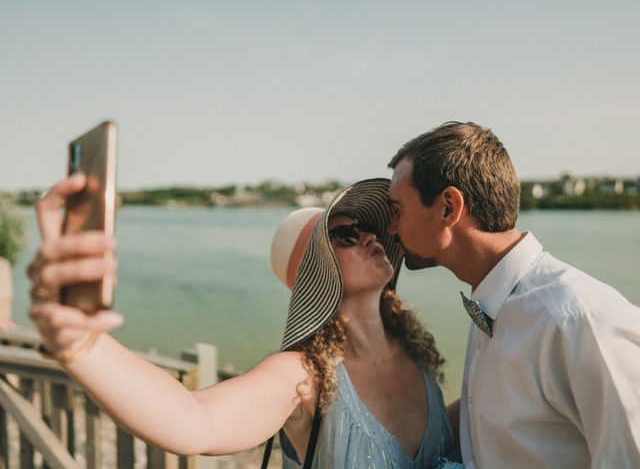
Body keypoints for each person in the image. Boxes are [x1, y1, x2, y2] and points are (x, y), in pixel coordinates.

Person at [27, 175, 457, 468]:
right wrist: (82, 345)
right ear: (315, 271)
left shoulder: (419, 352)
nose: (368, 237)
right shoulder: (305, 375)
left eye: (368, 229)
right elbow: (195, 422)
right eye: (344, 235)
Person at [386, 121, 640, 468]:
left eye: (397, 210)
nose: (390, 228)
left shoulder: (578, 320)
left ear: (448, 207)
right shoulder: (494, 301)